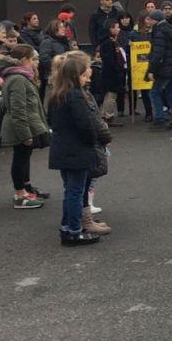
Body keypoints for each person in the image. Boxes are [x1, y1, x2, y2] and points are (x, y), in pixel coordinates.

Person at [46, 53, 109, 246]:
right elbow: (85, 124)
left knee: (70, 191)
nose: (86, 78)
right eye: (83, 75)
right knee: (76, 192)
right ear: (75, 76)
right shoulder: (76, 96)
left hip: (62, 149)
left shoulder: (56, 95)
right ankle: (74, 231)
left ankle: (68, 227)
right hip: (77, 150)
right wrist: (93, 141)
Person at [0, 45, 50, 209]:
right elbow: (18, 110)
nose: (35, 62)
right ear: (24, 60)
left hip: (26, 125)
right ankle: (20, 195)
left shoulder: (21, 77)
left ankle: (25, 189)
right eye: (33, 59)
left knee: (23, 157)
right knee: (20, 158)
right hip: (20, 127)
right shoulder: (18, 79)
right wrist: (25, 134)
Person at [146, 9, 172, 130]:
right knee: (170, 93)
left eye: (150, 19)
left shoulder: (160, 32)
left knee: (154, 92)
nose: (148, 21)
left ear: (155, 20)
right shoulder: (171, 29)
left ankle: (159, 120)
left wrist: (151, 70)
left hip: (164, 69)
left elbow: (158, 53)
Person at [97, 20, 128, 126]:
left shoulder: (113, 41)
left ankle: (108, 115)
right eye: (117, 27)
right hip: (111, 73)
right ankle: (107, 116)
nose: (119, 29)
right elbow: (110, 59)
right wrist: (117, 68)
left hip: (114, 71)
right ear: (111, 29)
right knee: (111, 94)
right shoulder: (108, 43)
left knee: (111, 94)